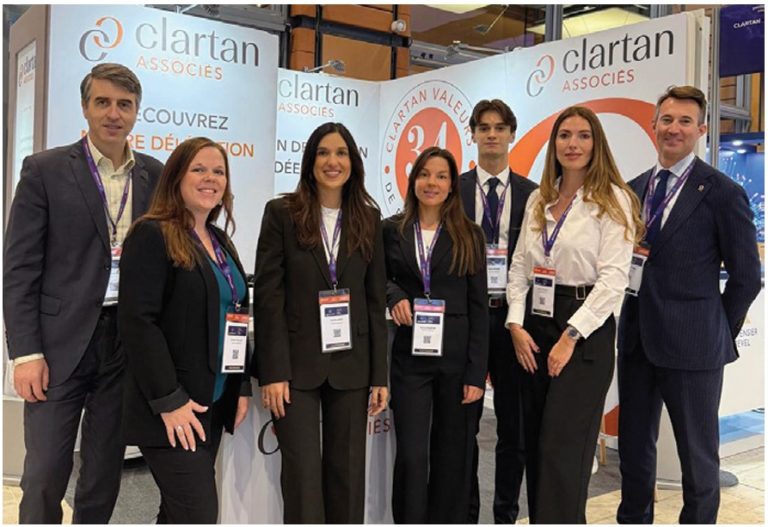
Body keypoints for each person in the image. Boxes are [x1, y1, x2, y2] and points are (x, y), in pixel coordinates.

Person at [3, 63, 163, 524]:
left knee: (103, 470)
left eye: (124, 105)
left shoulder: (154, 175)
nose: (114, 114)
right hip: (59, 343)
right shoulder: (46, 170)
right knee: (45, 472)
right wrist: (25, 353)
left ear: (136, 112)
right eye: (103, 102)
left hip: (123, 343)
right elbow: (19, 268)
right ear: (85, 107)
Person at [616, 86, 761, 524]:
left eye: (684, 121)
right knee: (633, 450)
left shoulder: (721, 192)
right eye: (667, 119)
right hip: (637, 339)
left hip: (695, 346)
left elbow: (746, 277)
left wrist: (716, 329)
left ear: (701, 130)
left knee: (698, 458)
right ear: (653, 125)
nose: (674, 128)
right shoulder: (634, 189)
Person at [506, 106, 643, 523]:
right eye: (565, 135)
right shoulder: (539, 198)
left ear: (596, 143)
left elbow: (613, 281)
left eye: (583, 135)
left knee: (562, 449)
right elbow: (519, 267)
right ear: (554, 145)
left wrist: (570, 336)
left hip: (584, 330)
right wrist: (515, 323)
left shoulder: (614, 200)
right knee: (536, 444)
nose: (573, 144)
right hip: (535, 324)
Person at [253, 122, 389, 523]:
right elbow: (269, 297)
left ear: (353, 162)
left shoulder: (368, 219)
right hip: (295, 366)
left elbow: (375, 301)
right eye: (324, 152)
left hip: (352, 363)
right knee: (302, 476)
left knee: (348, 473)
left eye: (341, 153)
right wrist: (273, 370)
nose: (333, 161)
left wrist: (379, 375)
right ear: (310, 161)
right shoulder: (282, 213)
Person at [118, 137, 251, 523]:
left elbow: (236, 315)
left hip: (213, 402)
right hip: (173, 407)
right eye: (199, 169)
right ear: (176, 177)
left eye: (219, 171)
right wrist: (169, 400)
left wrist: (240, 385)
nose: (211, 178)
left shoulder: (220, 241)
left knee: (178, 513)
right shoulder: (152, 234)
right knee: (199, 514)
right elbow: (138, 323)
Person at [384, 147, 489, 523]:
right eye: (425, 174)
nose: (432, 183)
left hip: (457, 361)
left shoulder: (470, 235)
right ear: (413, 180)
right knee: (412, 455)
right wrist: (394, 295)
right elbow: (376, 278)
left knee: (452, 455)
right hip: (410, 358)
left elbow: (479, 307)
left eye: (441, 176)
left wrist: (476, 373)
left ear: (452, 185)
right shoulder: (391, 230)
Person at [460, 99, 538, 523]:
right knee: (464, 426)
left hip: (513, 322)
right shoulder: (452, 190)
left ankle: (505, 513)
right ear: (473, 133)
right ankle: (467, 514)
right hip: (466, 323)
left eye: (499, 127)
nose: (492, 134)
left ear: (512, 134)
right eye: (484, 127)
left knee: (515, 428)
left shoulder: (533, 195)